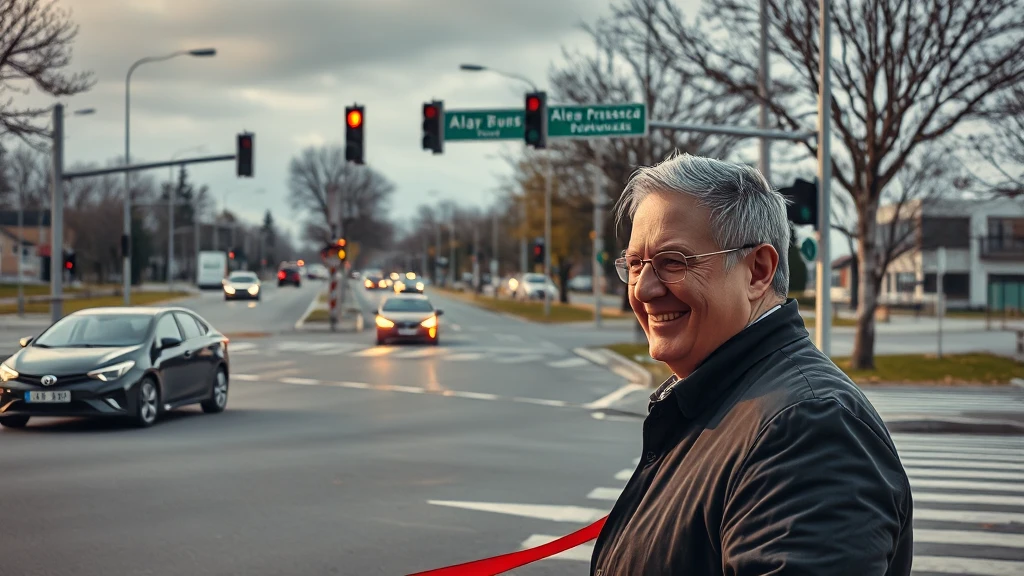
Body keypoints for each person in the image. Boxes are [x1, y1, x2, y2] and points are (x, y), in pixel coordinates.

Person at [590, 154, 913, 575]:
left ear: (758, 271)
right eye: (635, 264)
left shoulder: (808, 427)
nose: (645, 289)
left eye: (673, 262)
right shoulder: (719, 400)